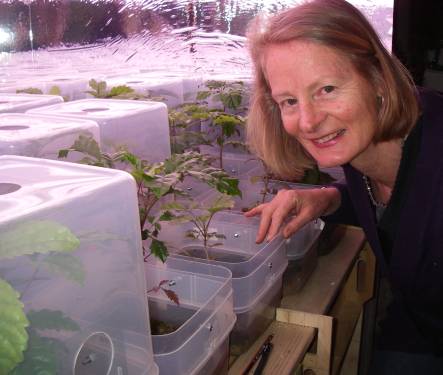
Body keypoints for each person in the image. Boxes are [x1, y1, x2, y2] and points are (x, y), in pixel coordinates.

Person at [244, 0, 443, 374]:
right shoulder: (364, 149)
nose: (308, 121)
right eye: (289, 101)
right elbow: (398, 196)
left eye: (327, 89)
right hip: (417, 322)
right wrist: (325, 199)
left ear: (378, 79)